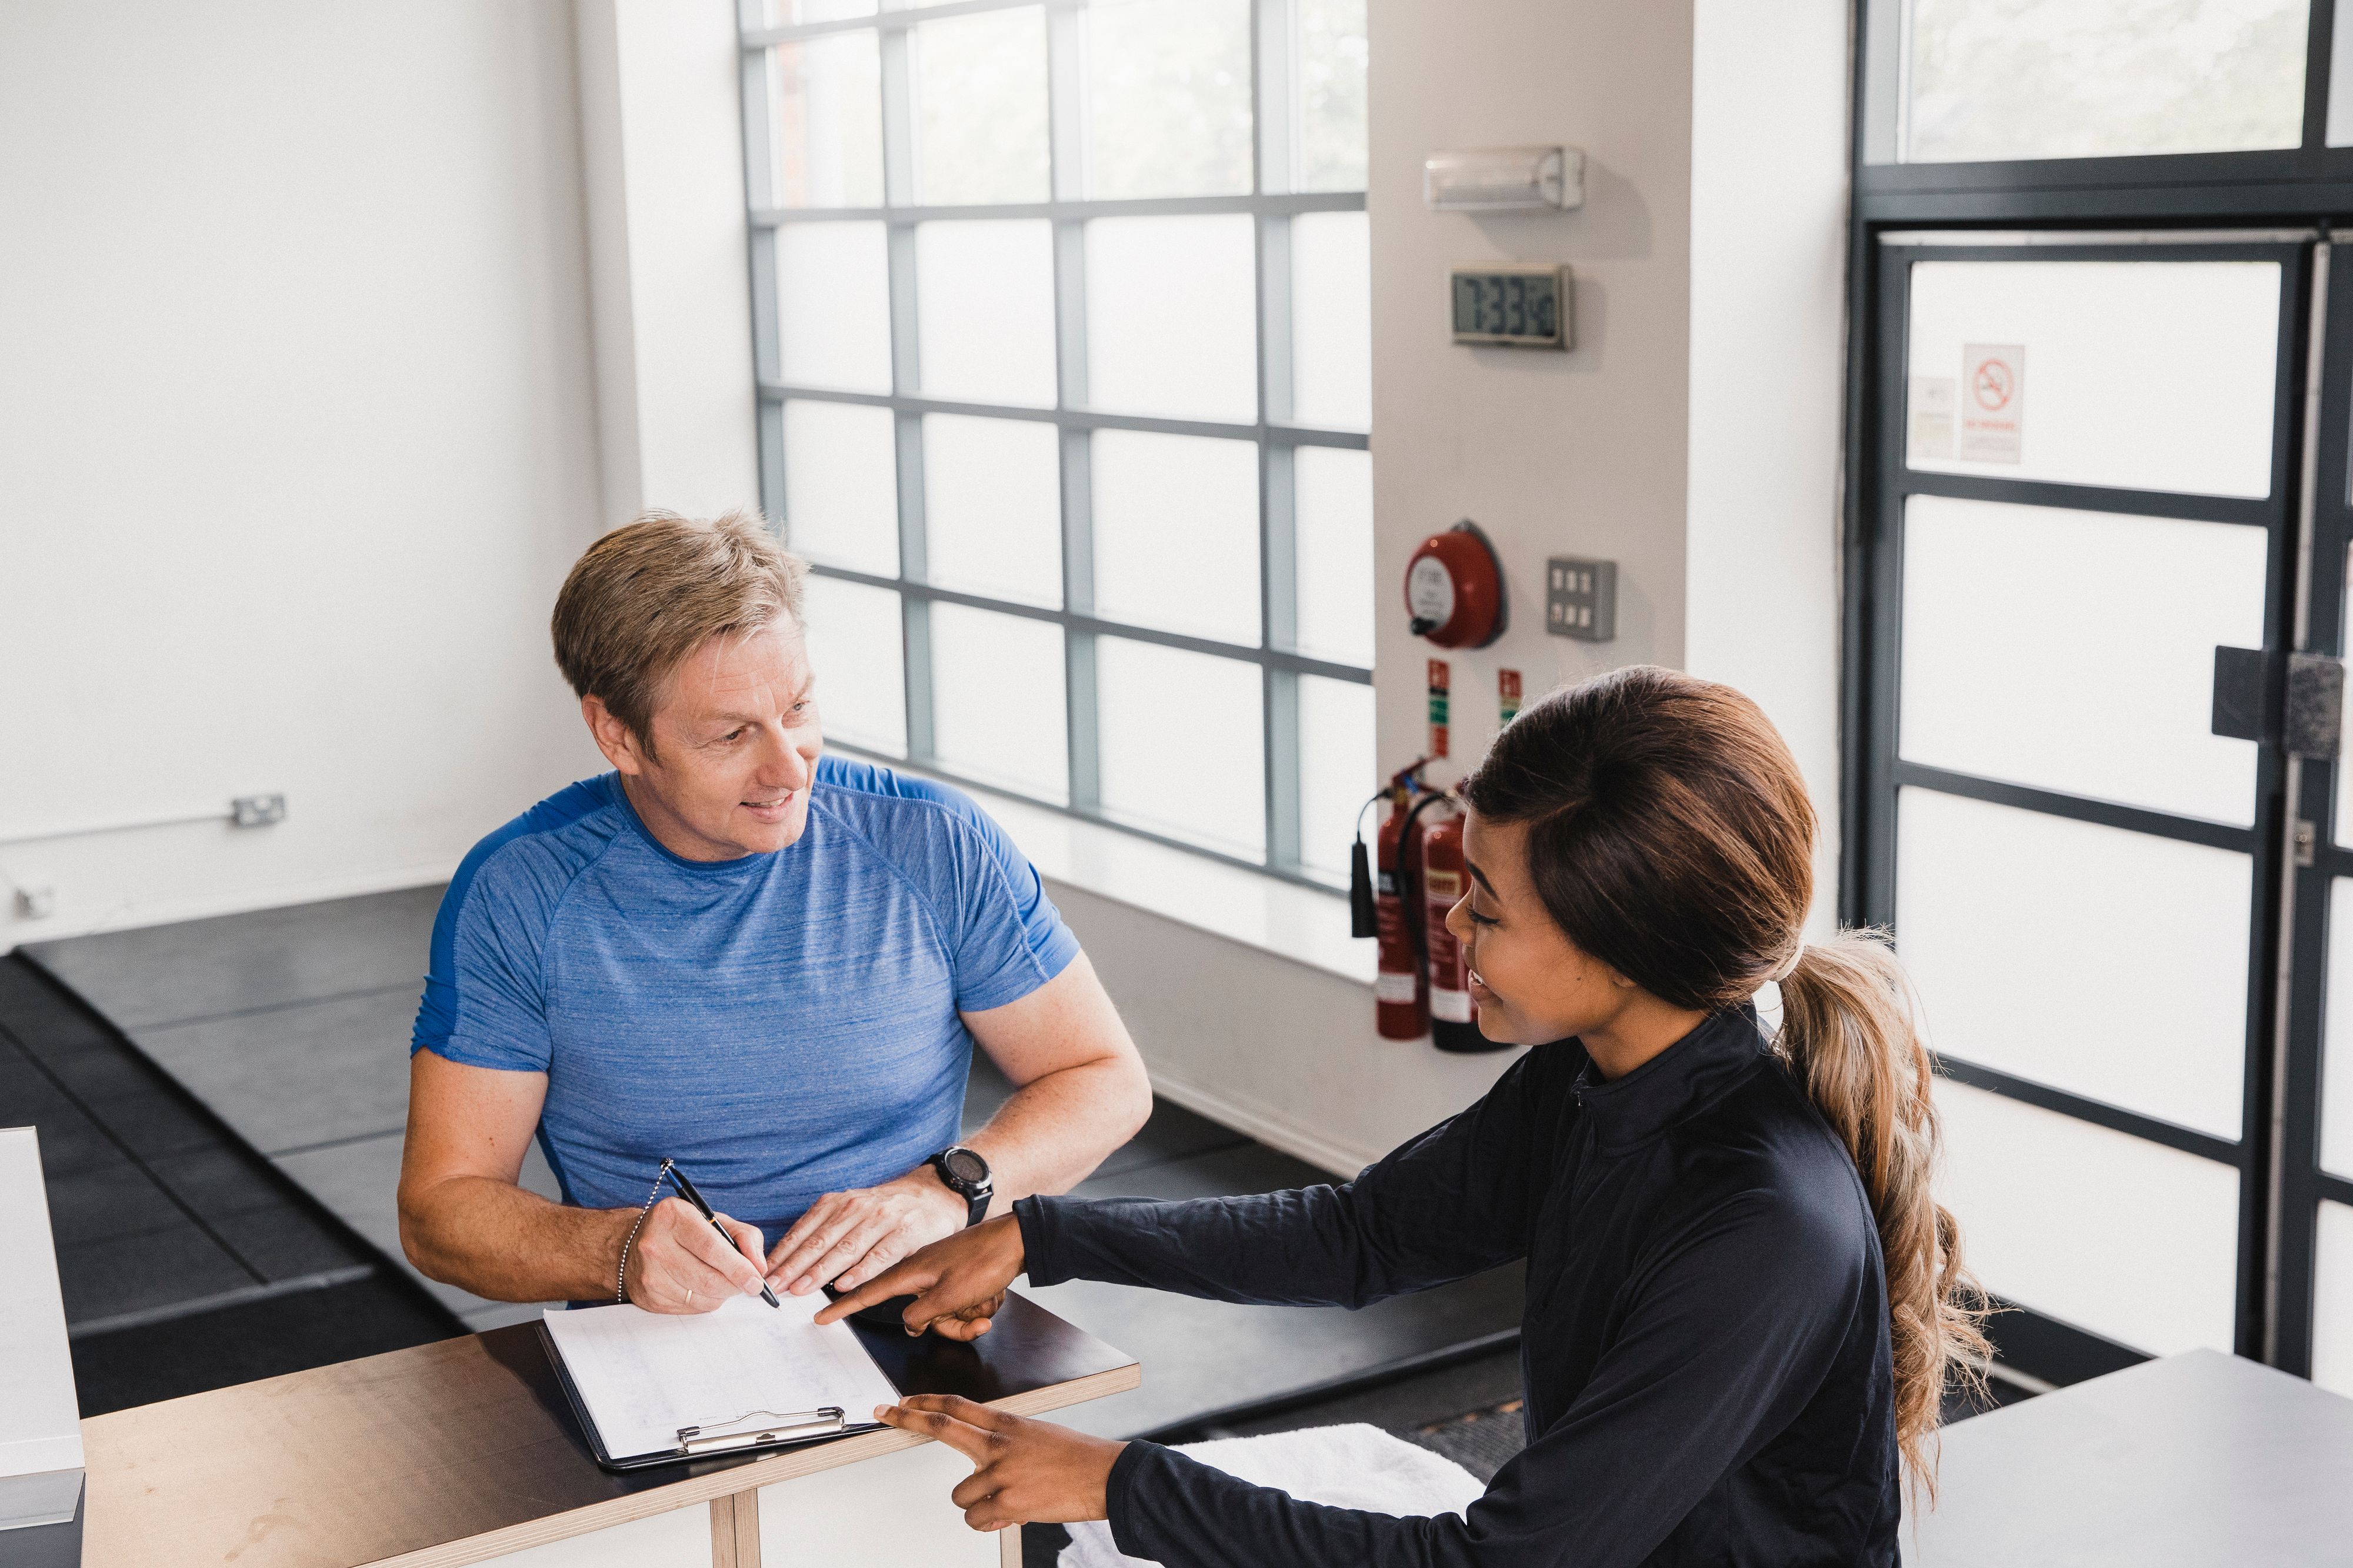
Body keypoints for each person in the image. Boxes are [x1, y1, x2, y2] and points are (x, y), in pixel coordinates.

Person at [822, 664, 1989, 1567]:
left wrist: (1120, 1483)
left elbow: (1504, 1562)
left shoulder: (1757, 1223)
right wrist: (1045, 1234)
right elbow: (1360, 1237)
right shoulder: (1590, 1078)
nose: (1454, 940)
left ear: (1624, 951)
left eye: (1485, 912)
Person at [396, 511, 1152, 1315]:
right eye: (730, 735)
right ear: (616, 735)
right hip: (662, 1339)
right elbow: (440, 1210)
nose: (790, 767)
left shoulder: (937, 843)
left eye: (796, 708)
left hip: (915, 1313)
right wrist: (615, 1252)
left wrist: (948, 1190)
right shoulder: (519, 891)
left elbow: (1105, 1078)